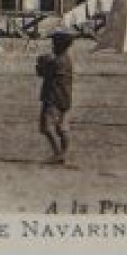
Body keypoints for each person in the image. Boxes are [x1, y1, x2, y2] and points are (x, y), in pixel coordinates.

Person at [36, 29, 77, 164]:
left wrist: (41, 63)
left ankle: (59, 153)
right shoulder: (66, 60)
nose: (52, 46)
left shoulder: (57, 62)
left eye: (54, 43)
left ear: (60, 45)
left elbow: (42, 73)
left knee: (46, 127)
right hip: (65, 98)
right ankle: (63, 153)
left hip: (53, 98)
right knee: (61, 127)